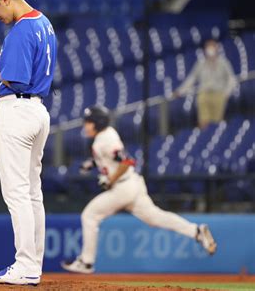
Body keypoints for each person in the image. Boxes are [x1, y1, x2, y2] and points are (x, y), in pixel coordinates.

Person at [61, 106, 217, 274]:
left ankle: (86, 261)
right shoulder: (105, 135)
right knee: (156, 217)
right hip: (132, 184)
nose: (85, 126)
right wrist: (91, 164)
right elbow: (109, 157)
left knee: (90, 215)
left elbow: (126, 161)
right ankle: (196, 231)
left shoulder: (105, 139)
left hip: (123, 187)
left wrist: (110, 180)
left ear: (98, 123)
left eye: (89, 122)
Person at [0, 0, 56, 285]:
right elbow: (28, 69)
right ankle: (33, 264)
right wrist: (2, 58)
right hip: (37, 111)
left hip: (17, 111)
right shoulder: (43, 23)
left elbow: (17, 82)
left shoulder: (21, 30)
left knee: (17, 193)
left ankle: (25, 266)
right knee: (33, 193)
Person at [174, 39, 237, 129]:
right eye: (208, 47)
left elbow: (231, 79)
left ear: (216, 48)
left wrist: (227, 93)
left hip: (219, 94)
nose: (210, 49)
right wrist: (180, 91)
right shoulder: (200, 63)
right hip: (204, 94)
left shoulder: (224, 63)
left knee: (216, 123)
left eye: (212, 46)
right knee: (204, 122)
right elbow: (192, 78)